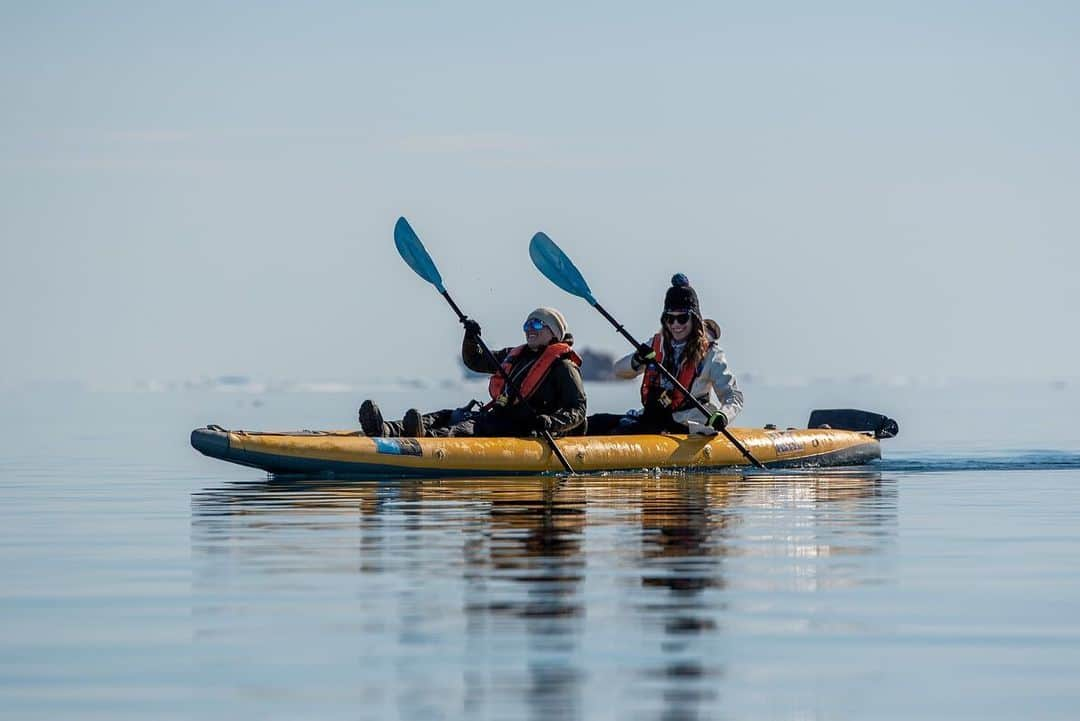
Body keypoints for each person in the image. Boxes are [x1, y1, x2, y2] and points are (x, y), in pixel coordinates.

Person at [359, 307, 587, 438]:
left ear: (553, 332)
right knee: (446, 415)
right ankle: (387, 429)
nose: (530, 330)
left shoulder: (563, 367)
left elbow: (578, 409)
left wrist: (549, 422)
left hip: (523, 427)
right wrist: (470, 338)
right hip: (495, 417)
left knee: (465, 428)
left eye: (537, 325)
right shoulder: (514, 355)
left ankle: (425, 441)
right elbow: (475, 361)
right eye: (527, 325)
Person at [588, 274, 743, 436]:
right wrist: (637, 359)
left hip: (684, 425)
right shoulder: (656, 344)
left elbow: (733, 396)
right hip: (652, 418)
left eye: (682, 318)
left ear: (694, 320)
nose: (676, 324)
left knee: (621, 432)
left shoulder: (711, 355)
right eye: (670, 318)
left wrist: (723, 415)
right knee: (596, 422)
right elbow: (619, 371)